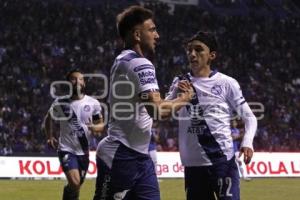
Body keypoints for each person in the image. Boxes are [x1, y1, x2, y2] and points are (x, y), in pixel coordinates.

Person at [93, 5, 193, 200]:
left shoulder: (123, 60)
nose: (157, 36)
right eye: (152, 30)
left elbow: (146, 112)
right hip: (121, 154)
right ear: (137, 35)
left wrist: (172, 95)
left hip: (139, 156)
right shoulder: (140, 64)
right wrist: (185, 98)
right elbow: (158, 112)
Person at [166, 31, 257, 200]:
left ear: (212, 55)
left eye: (198, 49)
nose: (192, 54)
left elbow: (250, 117)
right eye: (189, 50)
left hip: (222, 162)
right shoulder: (180, 82)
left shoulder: (226, 83)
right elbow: (164, 111)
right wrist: (179, 97)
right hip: (193, 167)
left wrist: (247, 142)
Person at [44, 69, 104, 200]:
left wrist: (94, 127)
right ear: (68, 83)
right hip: (66, 149)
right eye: (73, 79)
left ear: (84, 83)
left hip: (83, 151)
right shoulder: (60, 102)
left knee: (76, 186)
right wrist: (49, 136)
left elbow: (101, 125)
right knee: (75, 183)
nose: (77, 81)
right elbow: (48, 119)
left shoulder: (93, 103)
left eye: (81, 79)